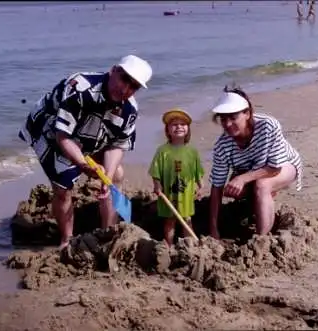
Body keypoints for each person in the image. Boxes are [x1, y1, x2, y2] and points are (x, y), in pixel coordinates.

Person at [18, 55, 152, 249]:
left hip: (92, 133)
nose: (124, 89)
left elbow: (117, 145)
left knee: (116, 175)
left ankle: (108, 232)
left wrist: (107, 175)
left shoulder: (129, 109)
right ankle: (66, 239)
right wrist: (81, 163)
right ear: (113, 70)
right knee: (63, 187)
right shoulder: (80, 90)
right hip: (51, 130)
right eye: (123, 79)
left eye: (133, 86)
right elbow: (62, 136)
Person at [208, 87, 302, 239]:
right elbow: (217, 187)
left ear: (247, 113)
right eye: (223, 119)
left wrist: (242, 178)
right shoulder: (222, 145)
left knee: (262, 185)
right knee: (233, 189)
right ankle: (263, 200)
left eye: (233, 117)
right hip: (253, 170)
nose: (228, 124)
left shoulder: (268, 126)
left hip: (284, 165)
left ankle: (261, 238)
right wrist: (213, 229)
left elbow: (274, 168)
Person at [148, 109, 204, 246]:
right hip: (168, 194)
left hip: (186, 194)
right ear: (167, 130)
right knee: (170, 220)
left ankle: (189, 245)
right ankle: (169, 245)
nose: (179, 127)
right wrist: (157, 184)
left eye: (182, 124)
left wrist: (201, 186)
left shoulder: (192, 151)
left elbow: (198, 171)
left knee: (187, 219)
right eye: (174, 124)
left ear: (188, 129)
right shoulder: (163, 151)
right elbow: (155, 170)